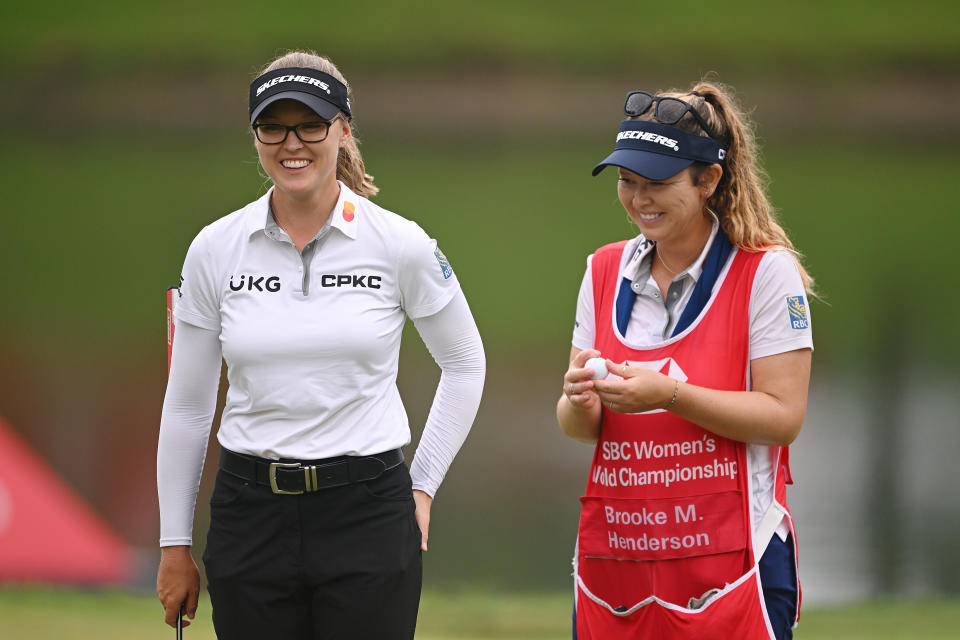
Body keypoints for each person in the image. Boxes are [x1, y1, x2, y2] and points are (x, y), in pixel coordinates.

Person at [155, 50, 485, 640]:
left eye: (310, 124)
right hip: (249, 511)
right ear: (255, 135)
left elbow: (465, 364)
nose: (292, 143)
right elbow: (187, 405)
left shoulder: (399, 243)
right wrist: (174, 543)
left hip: (368, 510)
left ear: (343, 130)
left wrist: (424, 484)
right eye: (272, 126)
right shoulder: (214, 248)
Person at [557, 81, 813, 639]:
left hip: (733, 567)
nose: (639, 199)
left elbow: (783, 416)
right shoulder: (602, 270)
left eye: (658, 183)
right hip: (620, 563)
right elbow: (582, 427)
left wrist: (669, 395)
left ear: (709, 181)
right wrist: (577, 399)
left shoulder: (767, 274)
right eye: (627, 182)